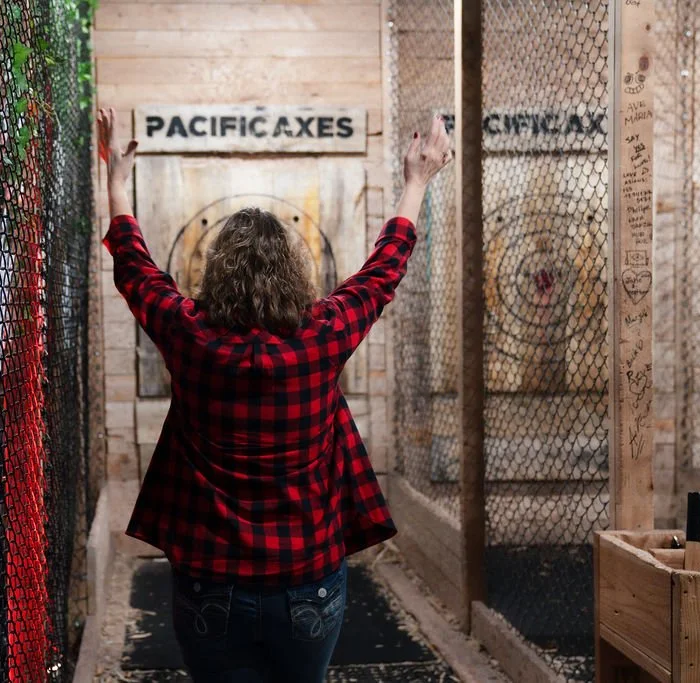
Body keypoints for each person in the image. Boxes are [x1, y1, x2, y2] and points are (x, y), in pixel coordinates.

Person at [97, 106, 452, 683]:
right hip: (306, 579)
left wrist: (115, 180)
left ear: (215, 274)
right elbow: (382, 272)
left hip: (210, 580)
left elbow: (135, 270)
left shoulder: (189, 335)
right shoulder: (321, 337)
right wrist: (416, 181)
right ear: (292, 273)